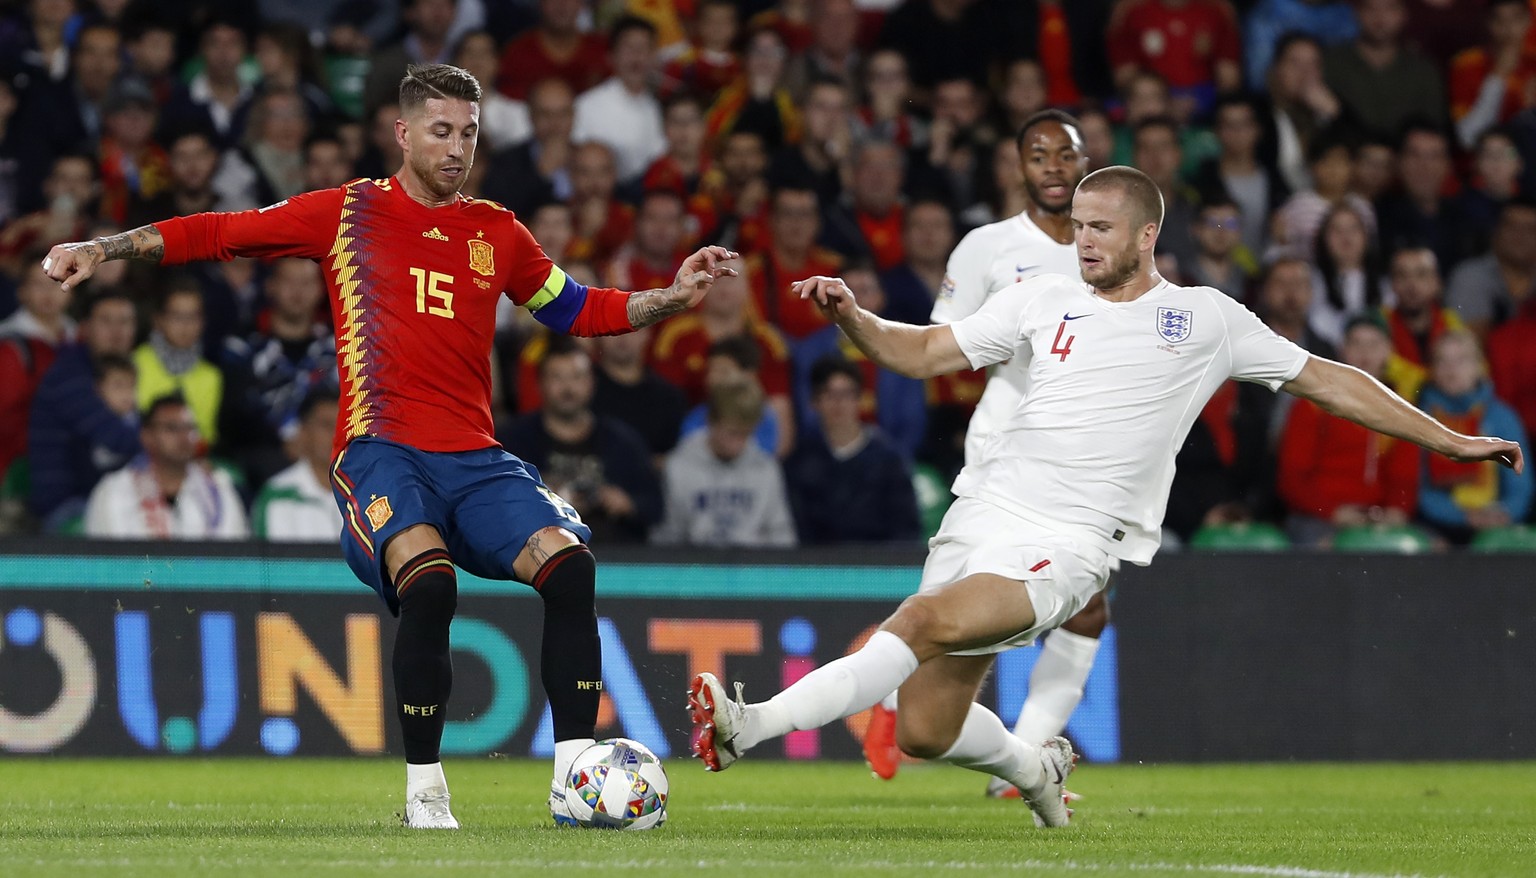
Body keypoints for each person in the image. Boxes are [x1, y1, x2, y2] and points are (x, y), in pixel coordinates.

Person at [687, 165, 1522, 829]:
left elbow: (1328, 382)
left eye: (1099, 227)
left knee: (919, 622)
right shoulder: (1041, 297)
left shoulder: (1203, 319)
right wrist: (853, 317)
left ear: (1147, 233)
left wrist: (1445, 437)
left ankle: (747, 726)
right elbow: (927, 352)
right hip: (982, 514)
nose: (1080, 241)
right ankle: (1037, 769)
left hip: (1073, 543)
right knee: (925, 729)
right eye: (1076, 225)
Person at [42, 63, 737, 830]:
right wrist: (103, 248)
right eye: (440, 131)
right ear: (402, 133)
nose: (456, 149)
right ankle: (425, 792)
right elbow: (218, 232)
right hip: (381, 451)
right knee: (431, 585)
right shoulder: (346, 213)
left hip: (475, 457)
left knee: (571, 570)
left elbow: (576, 310)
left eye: (468, 133)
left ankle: (574, 778)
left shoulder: (498, 231)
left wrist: (668, 298)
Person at [866, 110, 1100, 798]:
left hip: (1088, 457)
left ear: (1087, 162)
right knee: (954, 607)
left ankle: (1024, 759)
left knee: (1087, 605)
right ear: (1016, 167)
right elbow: (942, 345)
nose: (1053, 166)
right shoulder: (988, 248)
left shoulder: (1110, 245)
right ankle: (891, 702)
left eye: (1067, 152)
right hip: (1007, 451)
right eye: (1038, 154)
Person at [498, 340, 662, 544]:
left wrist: (626, 503)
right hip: (538, 555)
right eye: (557, 377)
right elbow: (497, 507)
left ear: (592, 383)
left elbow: (655, 505)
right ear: (540, 384)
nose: (568, 388)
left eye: (577, 377)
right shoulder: (513, 442)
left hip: (617, 556)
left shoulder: (623, 442)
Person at [27, 290, 140, 530]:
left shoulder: (127, 370)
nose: (117, 332)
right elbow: (117, 438)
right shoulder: (68, 375)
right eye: (106, 321)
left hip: (111, 496)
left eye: (125, 322)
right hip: (68, 504)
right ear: (86, 328)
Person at [784, 356, 919, 544]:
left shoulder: (888, 460)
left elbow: (906, 530)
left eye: (846, 394)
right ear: (814, 402)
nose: (838, 403)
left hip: (879, 566)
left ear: (859, 399)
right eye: (829, 394)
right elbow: (796, 531)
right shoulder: (800, 462)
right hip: (818, 568)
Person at [1415, 330, 1532, 543]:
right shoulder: (1420, 419)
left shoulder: (1502, 418)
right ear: (1432, 369)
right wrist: (1462, 516)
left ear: (1479, 366)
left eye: (1461, 360)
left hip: (1498, 525)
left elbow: (1521, 485)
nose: (1452, 369)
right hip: (1437, 530)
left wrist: (1504, 512)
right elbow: (1416, 488)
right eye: (1443, 360)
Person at [652, 378, 797, 548]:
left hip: (752, 568)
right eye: (733, 433)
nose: (739, 443)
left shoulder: (766, 468)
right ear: (711, 422)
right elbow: (668, 535)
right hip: (697, 568)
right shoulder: (679, 466)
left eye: (746, 434)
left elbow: (781, 534)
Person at [84, 392, 249, 540]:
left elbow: (236, 560)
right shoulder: (115, 490)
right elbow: (107, 565)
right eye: (172, 428)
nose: (184, 437)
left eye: (190, 428)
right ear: (147, 436)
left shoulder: (219, 488)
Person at [253, 389, 345, 542]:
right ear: (304, 431)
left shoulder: (370, 493)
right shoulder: (277, 495)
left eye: (343, 425)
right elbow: (271, 563)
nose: (336, 434)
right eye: (326, 425)